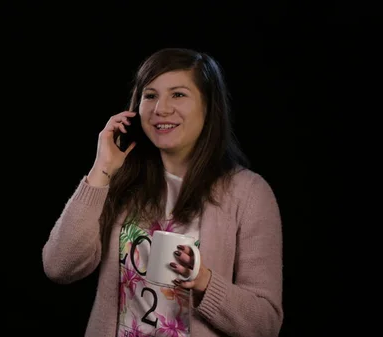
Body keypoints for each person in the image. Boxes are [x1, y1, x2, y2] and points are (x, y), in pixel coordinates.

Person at [42, 47, 283, 337]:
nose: (161, 109)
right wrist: (101, 170)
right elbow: (60, 266)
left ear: (208, 106)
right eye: (150, 95)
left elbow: (265, 323)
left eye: (178, 95)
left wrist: (203, 280)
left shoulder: (249, 194)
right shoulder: (121, 182)